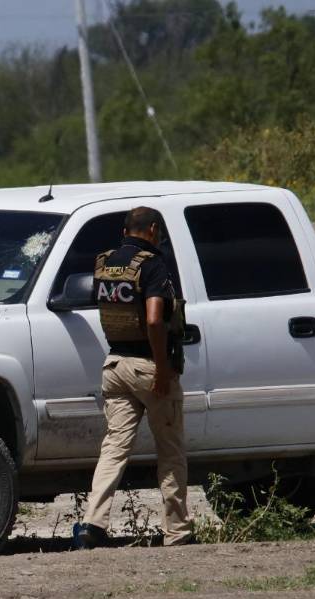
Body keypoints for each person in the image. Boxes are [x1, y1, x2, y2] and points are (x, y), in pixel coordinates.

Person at [74, 207, 195, 548]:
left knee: (114, 448)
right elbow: (155, 320)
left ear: (125, 229)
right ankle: (177, 532)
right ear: (153, 229)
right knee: (170, 452)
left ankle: (92, 526)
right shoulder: (153, 264)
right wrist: (162, 368)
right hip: (147, 366)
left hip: (115, 365)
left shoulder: (104, 263)